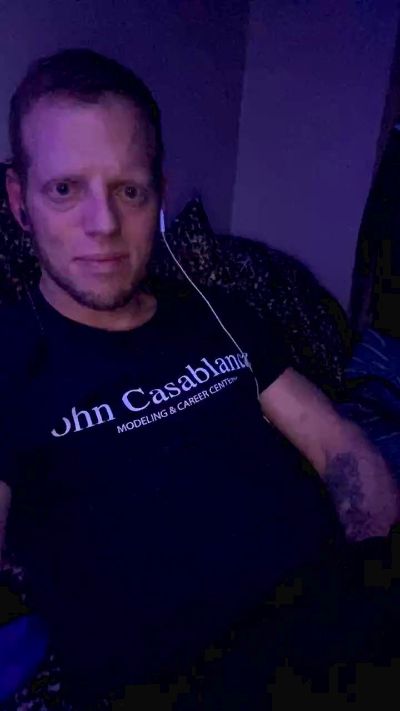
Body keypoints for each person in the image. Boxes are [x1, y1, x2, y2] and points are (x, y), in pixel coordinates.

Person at [0, 48, 399, 709]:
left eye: (129, 190)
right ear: (19, 200)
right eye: (65, 190)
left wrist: (367, 574)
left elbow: (335, 443)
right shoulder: (8, 356)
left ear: (158, 191)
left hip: (346, 620)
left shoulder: (217, 313)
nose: (104, 226)